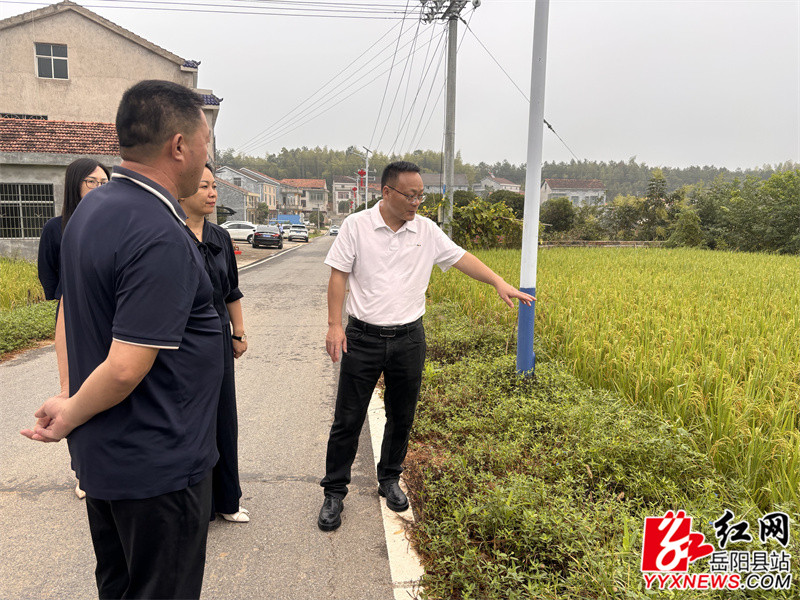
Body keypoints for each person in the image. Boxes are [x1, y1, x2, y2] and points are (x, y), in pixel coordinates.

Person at [21, 80, 222, 600]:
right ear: (179, 145)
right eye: (206, 143)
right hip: (158, 465)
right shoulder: (158, 231)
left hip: (109, 458)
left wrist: (71, 395)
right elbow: (127, 365)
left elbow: (72, 316)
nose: (207, 158)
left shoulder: (93, 209)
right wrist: (69, 412)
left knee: (118, 586)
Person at [318, 161, 534, 531]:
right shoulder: (356, 226)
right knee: (348, 419)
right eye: (410, 195)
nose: (417, 202)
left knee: (402, 415)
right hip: (363, 338)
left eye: (421, 195)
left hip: (409, 339)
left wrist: (497, 281)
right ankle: (334, 492)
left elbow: (461, 258)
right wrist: (334, 325)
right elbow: (338, 275)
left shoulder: (426, 230)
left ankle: (390, 478)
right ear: (387, 192)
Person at [179, 164, 250, 523]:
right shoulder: (169, 233)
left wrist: (239, 332)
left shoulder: (220, 236)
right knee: (189, 419)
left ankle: (226, 499)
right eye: (203, 186)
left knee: (223, 416)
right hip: (181, 340)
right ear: (182, 190)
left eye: (214, 186)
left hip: (218, 335)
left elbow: (231, 290)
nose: (211, 193)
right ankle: (194, 505)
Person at [37, 158, 110, 500]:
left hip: (108, 316)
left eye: (104, 182)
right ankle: (83, 470)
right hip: (72, 316)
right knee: (75, 391)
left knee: (108, 388)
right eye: (91, 182)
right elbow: (49, 276)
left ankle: (110, 463)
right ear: (74, 185)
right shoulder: (56, 228)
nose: (99, 188)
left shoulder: (113, 224)